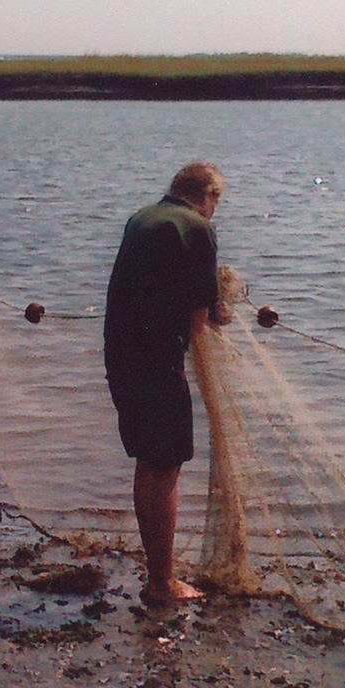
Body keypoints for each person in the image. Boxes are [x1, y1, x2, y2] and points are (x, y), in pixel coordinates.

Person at [104, 162, 231, 605]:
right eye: (218, 201)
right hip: (158, 363)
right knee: (167, 470)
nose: (216, 211)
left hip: (119, 356)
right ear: (207, 195)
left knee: (148, 463)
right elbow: (198, 320)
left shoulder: (141, 217)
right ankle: (162, 583)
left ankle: (157, 573)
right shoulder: (197, 228)